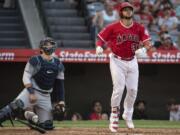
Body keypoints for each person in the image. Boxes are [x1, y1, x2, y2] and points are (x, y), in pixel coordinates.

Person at [95, 2, 152, 132]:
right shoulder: (113, 27)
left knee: (133, 90)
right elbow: (100, 38)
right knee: (119, 89)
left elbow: (148, 43)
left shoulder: (139, 27)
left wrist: (144, 49)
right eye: (125, 10)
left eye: (130, 10)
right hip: (116, 60)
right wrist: (99, 46)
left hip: (132, 60)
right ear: (121, 12)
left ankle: (127, 114)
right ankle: (114, 116)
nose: (128, 12)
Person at [0, 37, 65, 130]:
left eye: (51, 44)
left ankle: (31, 117)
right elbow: (25, 76)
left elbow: (60, 84)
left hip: (46, 95)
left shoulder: (59, 64)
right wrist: (31, 92)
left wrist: (61, 101)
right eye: (47, 44)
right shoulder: (35, 60)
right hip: (32, 90)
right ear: (41, 48)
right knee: (16, 106)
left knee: (47, 125)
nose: (49, 46)